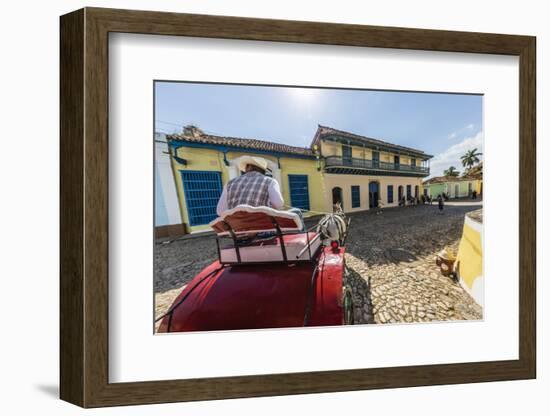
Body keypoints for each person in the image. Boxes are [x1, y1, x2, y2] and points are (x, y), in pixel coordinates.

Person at [216, 156, 305, 227]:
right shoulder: (269, 181)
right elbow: (279, 204)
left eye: (247, 166)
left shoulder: (229, 184)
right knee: (297, 212)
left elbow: (220, 211)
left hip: (237, 231)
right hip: (263, 229)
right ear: (263, 170)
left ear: (249, 167)